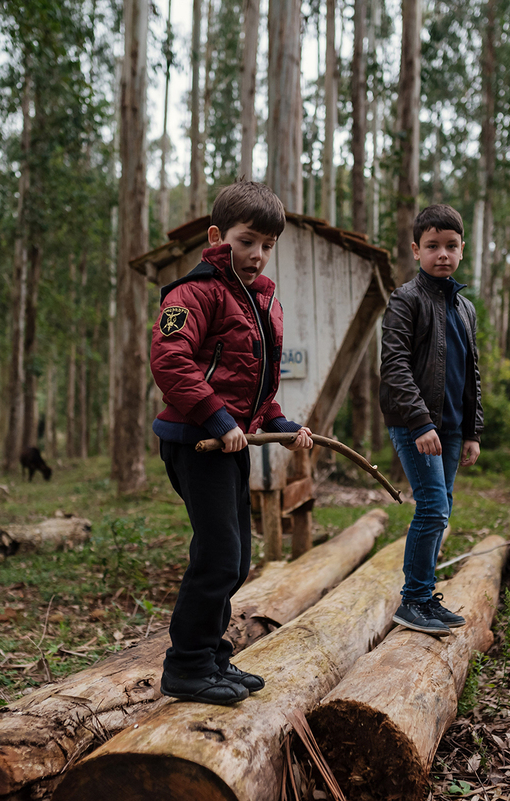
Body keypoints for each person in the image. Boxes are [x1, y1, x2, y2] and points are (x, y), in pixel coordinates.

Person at [151, 181, 314, 705]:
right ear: (217, 236)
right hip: (196, 440)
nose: (257, 254)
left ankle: (212, 655)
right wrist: (218, 420)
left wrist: (281, 424)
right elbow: (170, 361)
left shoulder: (261, 301)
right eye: (247, 241)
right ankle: (187, 666)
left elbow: (254, 385)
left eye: (267, 245)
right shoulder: (194, 293)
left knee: (236, 557)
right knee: (219, 554)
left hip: (228, 442)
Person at [379, 203, 483, 637]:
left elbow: (471, 374)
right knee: (433, 508)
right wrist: (420, 423)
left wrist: (473, 431)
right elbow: (394, 365)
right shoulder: (406, 299)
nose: (443, 254)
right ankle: (414, 600)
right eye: (433, 246)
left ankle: (424, 597)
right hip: (416, 424)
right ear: (416, 250)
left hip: (453, 429)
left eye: (451, 246)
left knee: (443, 509)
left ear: (462, 249)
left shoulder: (465, 308)